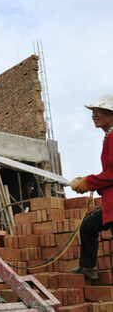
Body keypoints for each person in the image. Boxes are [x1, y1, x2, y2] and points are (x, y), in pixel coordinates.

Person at [70, 94, 113, 279]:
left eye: (98, 111)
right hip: (110, 202)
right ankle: (88, 267)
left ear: (111, 115)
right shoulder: (108, 136)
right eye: (93, 112)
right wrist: (89, 180)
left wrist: (88, 182)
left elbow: (112, 173)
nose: (94, 115)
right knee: (88, 226)